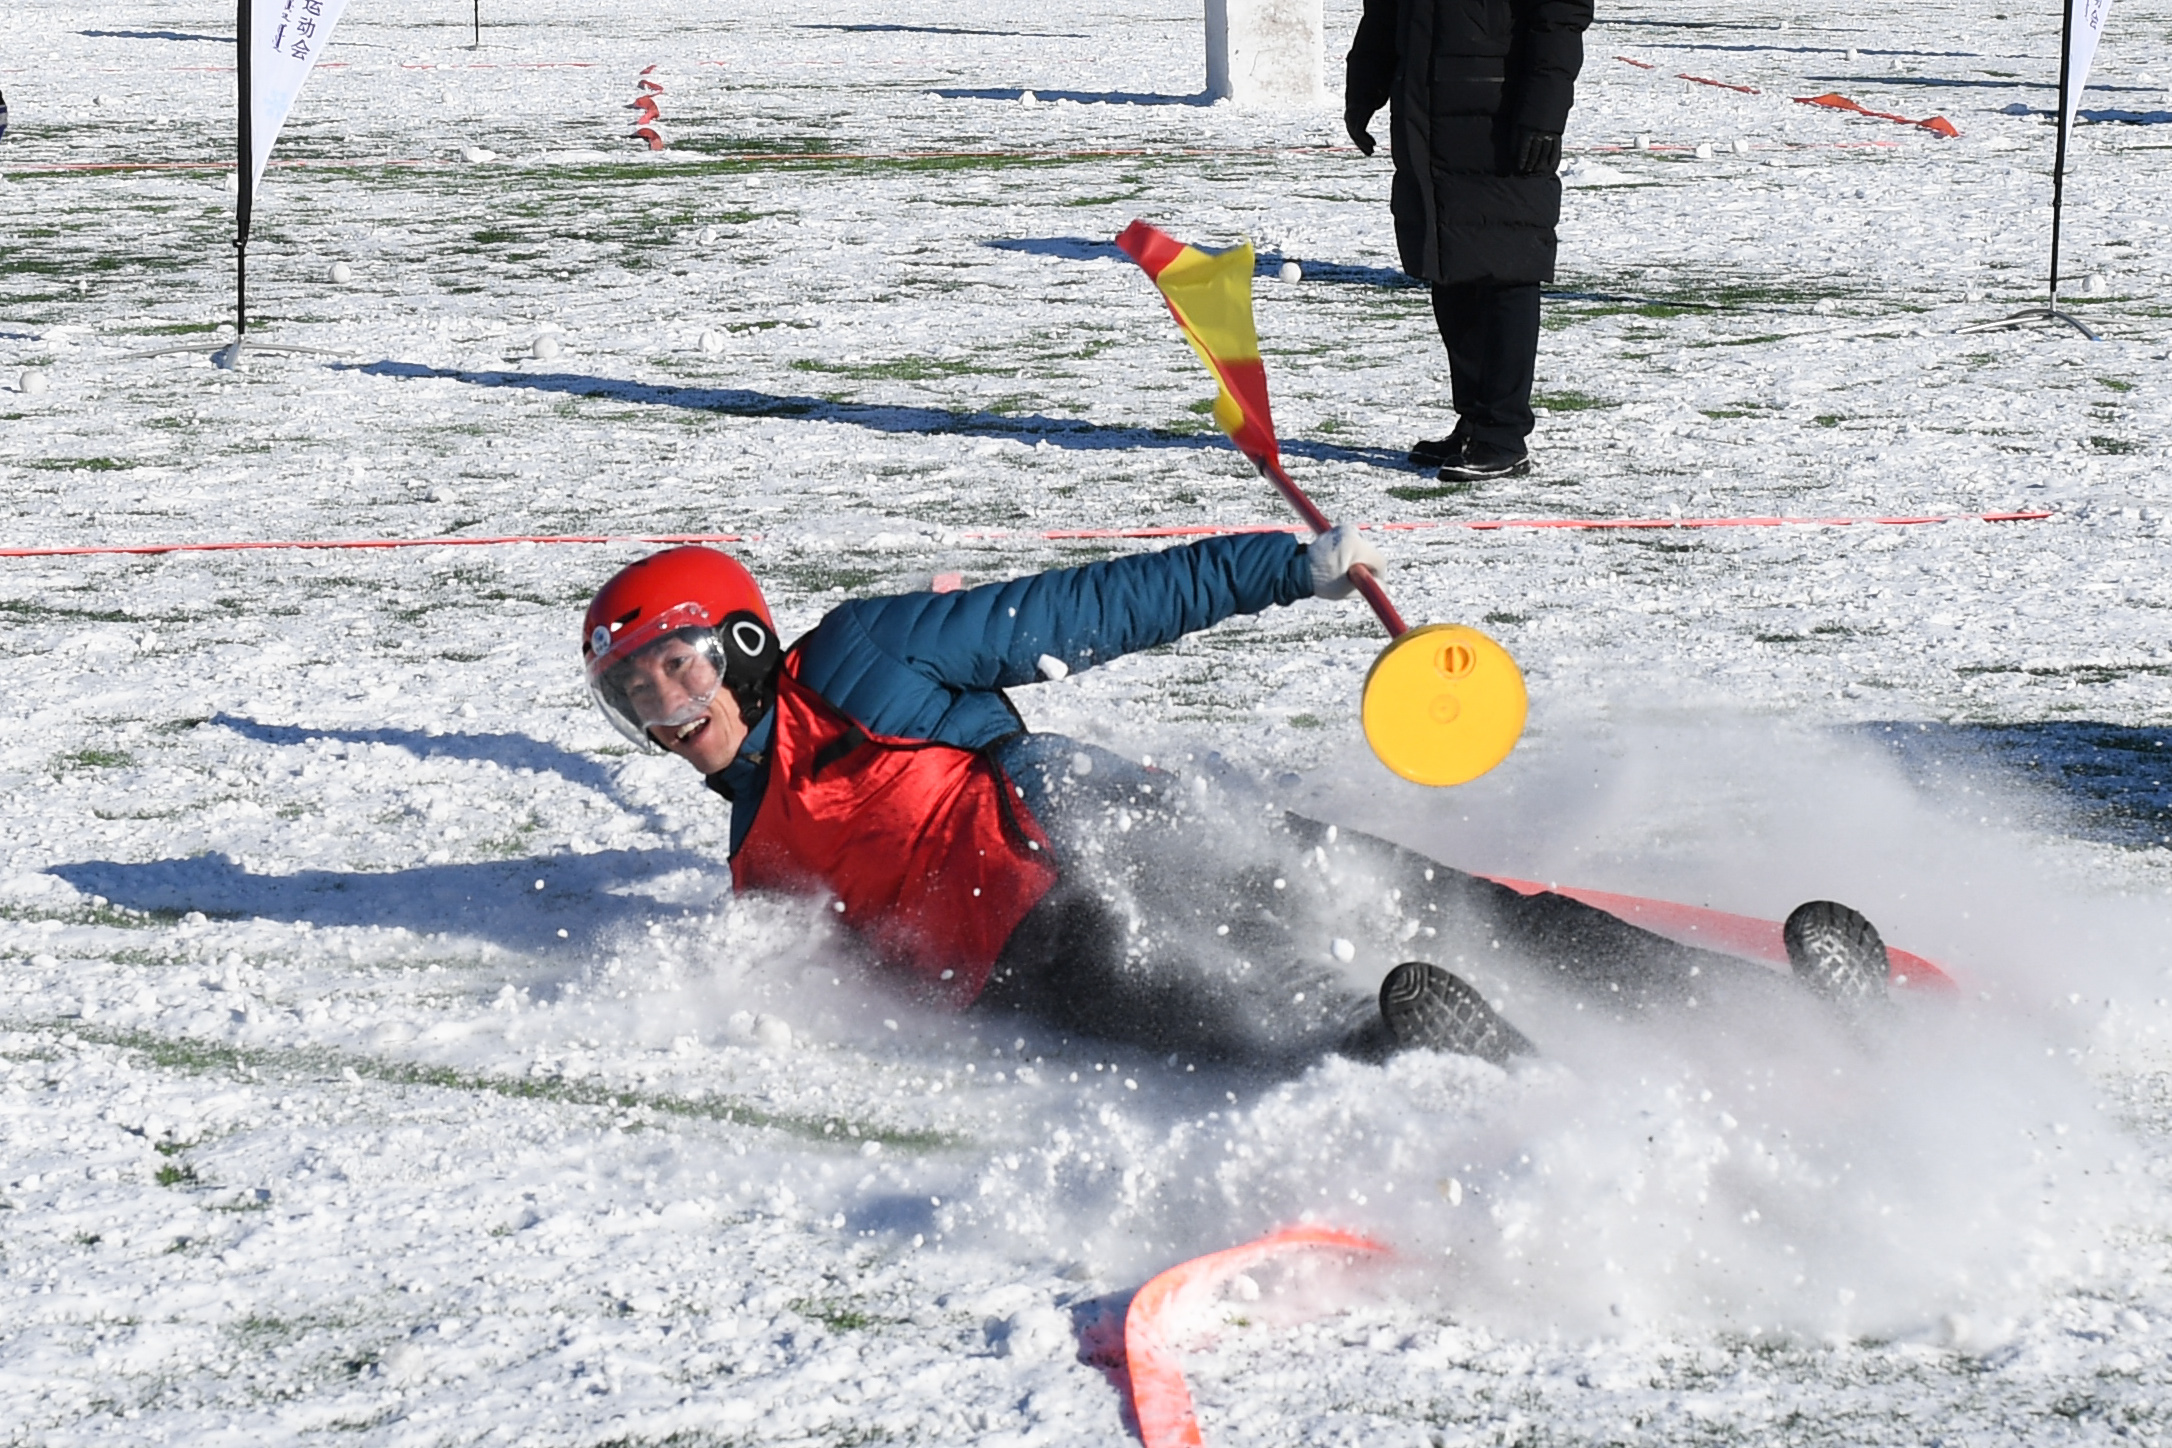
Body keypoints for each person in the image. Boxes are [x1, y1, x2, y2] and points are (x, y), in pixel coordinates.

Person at [580, 532, 1891, 1070]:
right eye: (634, 696)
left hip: (1113, 834)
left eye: (677, 666)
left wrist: (1284, 569)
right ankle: (1458, 1071)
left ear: (743, 641)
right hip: (1049, 967)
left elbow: (1081, 612)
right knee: (1268, 1014)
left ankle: (1793, 1008)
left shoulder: (864, 656)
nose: (666, 708)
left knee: (1472, 910)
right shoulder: (756, 867)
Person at [1344, 0, 1594, 484]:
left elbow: (1559, 16)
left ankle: (1503, 433)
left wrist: (1544, 111)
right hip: (1427, 109)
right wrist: (1365, 87)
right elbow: (1385, 11)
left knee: (1507, 265)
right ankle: (1476, 420)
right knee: (1449, 261)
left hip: (1502, 111)